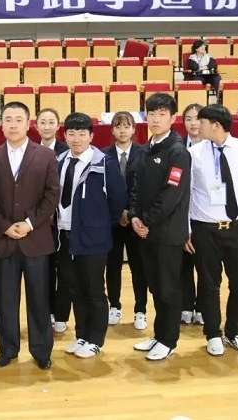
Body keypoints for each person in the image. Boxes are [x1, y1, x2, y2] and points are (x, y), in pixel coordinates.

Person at [0, 101, 60, 370]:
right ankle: (8, 349)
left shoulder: (46, 156)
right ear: (1, 125)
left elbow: (52, 195)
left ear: (28, 124)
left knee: (39, 299)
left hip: (35, 240)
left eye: (18, 120)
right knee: (5, 300)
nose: (13, 125)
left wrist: (29, 223)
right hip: (2, 240)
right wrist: (4, 226)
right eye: (8, 120)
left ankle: (41, 351)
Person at [186, 105, 238, 356]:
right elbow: (186, 194)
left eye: (201, 122)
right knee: (209, 284)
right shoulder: (193, 153)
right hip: (204, 229)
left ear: (216, 125)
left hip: (237, 227)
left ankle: (234, 332)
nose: (197, 126)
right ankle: (212, 333)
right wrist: (186, 229)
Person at [56, 113, 127, 359]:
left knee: (94, 290)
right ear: (65, 136)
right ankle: (82, 335)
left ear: (91, 136)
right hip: (64, 236)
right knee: (74, 288)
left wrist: (97, 224)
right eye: (71, 133)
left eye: (82, 133)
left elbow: (118, 200)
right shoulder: (59, 161)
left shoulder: (104, 164)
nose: (76, 139)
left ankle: (96, 339)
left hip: (93, 238)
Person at [129, 93, 191, 361]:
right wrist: (134, 216)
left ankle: (169, 340)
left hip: (167, 233)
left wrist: (146, 221)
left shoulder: (177, 151)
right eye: (151, 114)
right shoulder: (145, 148)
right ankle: (158, 334)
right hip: (146, 233)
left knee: (168, 288)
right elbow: (136, 186)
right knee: (155, 285)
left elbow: (170, 195)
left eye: (162, 114)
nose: (155, 119)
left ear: (172, 118)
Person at [102, 111, 147, 330]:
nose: (122, 130)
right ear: (112, 130)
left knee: (139, 267)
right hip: (112, 221)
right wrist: (118, 212)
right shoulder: (103, 155)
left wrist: (130, 213)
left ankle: (141, 310)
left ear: (133, 129)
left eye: (126, 126)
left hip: (136, 220)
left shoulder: (144, 154)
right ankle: (114, 306)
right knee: (113, 265)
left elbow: (145, 188)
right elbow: (103, 190)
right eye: (118, 126)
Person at [36, 108, 69, 334]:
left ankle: (62, 314)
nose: (47, 127)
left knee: (64, 271)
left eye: (51, 122)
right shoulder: (31, 151)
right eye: (43, 122)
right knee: (44, 271)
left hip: (64, 221)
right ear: (36, 125)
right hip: (40, 222)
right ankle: (46, 311)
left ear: (58, 126)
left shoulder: (67, 151)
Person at [181, 103, 205, 326]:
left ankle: (203, 308)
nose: (193, 123)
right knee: (184, 265)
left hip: (206, 216)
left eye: (197, 118)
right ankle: (186, 304)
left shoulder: (214, 147)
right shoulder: (178, 147)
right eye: (188, 119)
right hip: (182, 215)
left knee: (206, 266)